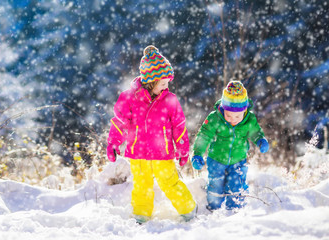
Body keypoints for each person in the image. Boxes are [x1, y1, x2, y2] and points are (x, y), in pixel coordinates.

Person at [107, 45, 197, 223]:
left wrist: (182, 149)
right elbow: (119, 122)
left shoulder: (169, 100)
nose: (166, 86)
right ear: (151, 81)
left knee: (170, 183)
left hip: (162, 153)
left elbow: (179, 126)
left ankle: (188, 209)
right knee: (142, 185)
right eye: (163, 83)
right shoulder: (129, 98)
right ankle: (141, 215)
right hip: (138, 153)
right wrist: (113, 143)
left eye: (167, 83)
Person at [191, 80, 269, 211]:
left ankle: (234, 210)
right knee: (216, 184)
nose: (233, 119)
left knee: (236, 185)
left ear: (245, 110)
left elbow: (256, 132)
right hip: (216, 159)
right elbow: (204, 136)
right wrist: (198, 153)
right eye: (228, 115)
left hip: (239, 160)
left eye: (237, 116)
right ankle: (213, 208)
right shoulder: (215, 118)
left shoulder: (249, 120)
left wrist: (260, 140)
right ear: (223, 107)